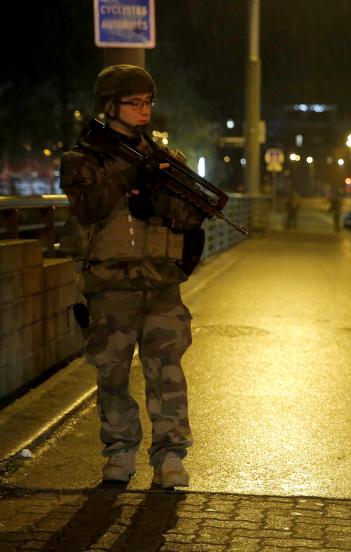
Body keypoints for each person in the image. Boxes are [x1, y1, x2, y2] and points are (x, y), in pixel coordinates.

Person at [60, 64, 204, 489]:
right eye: (135, 103)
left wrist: (158, 198)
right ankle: (120, 452)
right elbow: (88, 207)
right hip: (109, 285)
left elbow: (193, 213)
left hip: (160, 283)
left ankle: (170, 457)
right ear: (110, 107)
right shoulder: (81, 159)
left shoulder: (165, 158)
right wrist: (128, 172)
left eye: (148, 102)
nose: (144, 110)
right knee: (113, 373)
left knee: (168, 372)